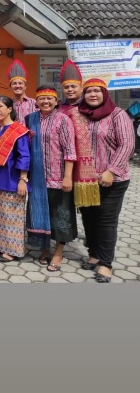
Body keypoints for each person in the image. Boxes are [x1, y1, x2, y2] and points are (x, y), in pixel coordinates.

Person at [77, 78, 135, 283]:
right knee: (89, 218)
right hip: (85, 180)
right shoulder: (80, 115)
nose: (93, 95)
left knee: (106, 221)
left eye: (97, 91)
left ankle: (106, 263)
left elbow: (127, 144)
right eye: (89, 91)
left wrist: (111, 170)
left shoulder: (117, 115)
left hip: (113, 179)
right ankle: (93, 253)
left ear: (104, 93)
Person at [25, 86, 77, 272]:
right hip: (37, 178)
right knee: (39, 212)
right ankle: (44, 248)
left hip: (57, 177)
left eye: (49, 99)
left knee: (60, 215)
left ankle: (59, 251)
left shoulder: (63, 120)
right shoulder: (30, 119)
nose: (45, 102)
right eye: (42, 99)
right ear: (36, 101)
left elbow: (70, 150)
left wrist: (68, 177)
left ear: (56, 101)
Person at [0, 96, 30, 262]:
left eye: (0, 106)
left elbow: (24, 156)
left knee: (12, 216)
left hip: (12, 179)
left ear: (10, 109)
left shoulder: (19, 131)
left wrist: (23, 179)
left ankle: (13, 250)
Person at [7, 59, 37, 125]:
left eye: (20, 83)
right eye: (14, 83)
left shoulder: (34, 103)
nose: (17, 86)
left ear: (25, 86)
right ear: (10, 87)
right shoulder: (7, 104)